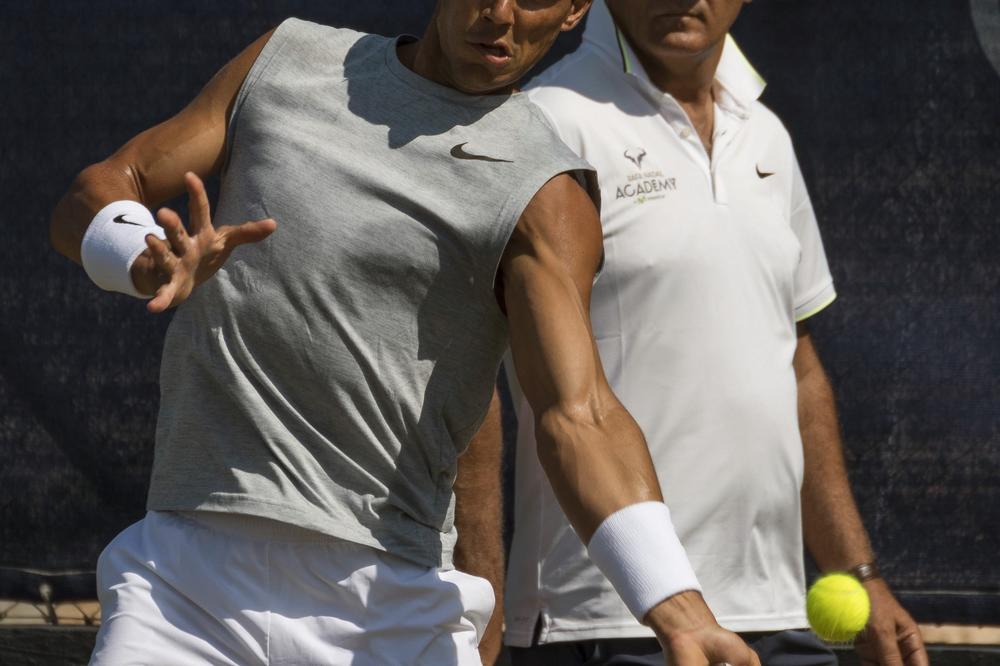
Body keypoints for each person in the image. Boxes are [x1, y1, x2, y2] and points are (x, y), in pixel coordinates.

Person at [50, 1, 761, 665]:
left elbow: (580, 414)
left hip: (387, 610)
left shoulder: (548, 193)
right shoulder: (285, 59)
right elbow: (108, 185)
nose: (501, 14)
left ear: (577, 10)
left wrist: (679, 608)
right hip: (183, 587)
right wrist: (145, 259)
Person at [503, 1, 930, 665]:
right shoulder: (548, 119)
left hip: (780, 615)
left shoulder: (765, 135)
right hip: (611, 618)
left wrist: (859, 573)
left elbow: (796, 368)